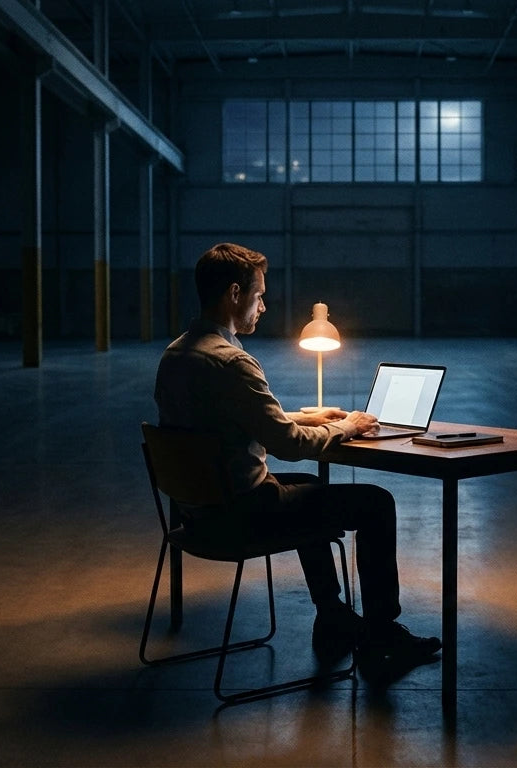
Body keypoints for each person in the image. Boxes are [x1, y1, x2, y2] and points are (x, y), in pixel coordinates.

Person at [154, 242, 440, 671]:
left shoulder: (176, 354)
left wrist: (309, 416)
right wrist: (346, 427)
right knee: (376, 502)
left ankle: (332, 615)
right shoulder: (234, 362)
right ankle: (382, 635)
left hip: (196, 514)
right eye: (259, 295)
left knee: (311, 490)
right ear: (235, 294)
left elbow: (226, 425)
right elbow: (289, 446)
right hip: (244, 514)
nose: (263, 306)